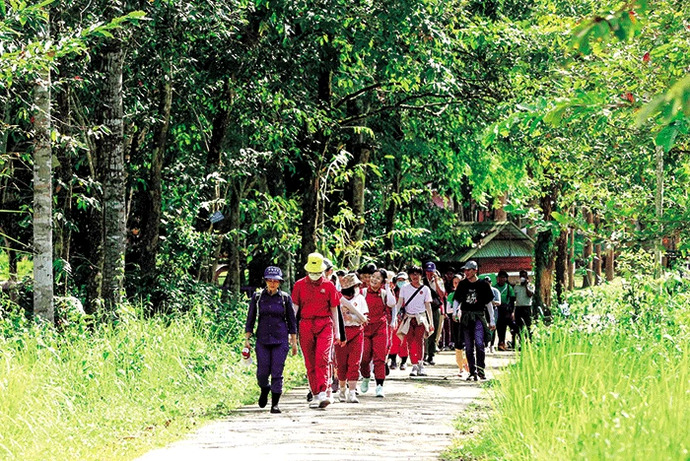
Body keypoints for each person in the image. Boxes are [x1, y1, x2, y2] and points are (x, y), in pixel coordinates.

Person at [244, 266, 298, 414]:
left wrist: (294, 343)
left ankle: (275, 404)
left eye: (275, 281)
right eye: (270, 280)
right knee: (262, 372)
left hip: (280, 340)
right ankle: (264, 388)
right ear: (266, 281)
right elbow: (251, 318)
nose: (272, 283)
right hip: (262, 339)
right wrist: (247, 339)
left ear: (279, 282)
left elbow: (291, 321)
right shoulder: (258, 297)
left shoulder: (285, 298)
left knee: (277, 371)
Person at [292, 252, 342, 409]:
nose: (315, 276)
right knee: (310, 361)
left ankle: (322, 392)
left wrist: (338, 331)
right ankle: (314, 393)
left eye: (318, 273)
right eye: (312, 273)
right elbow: (294, 309)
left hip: (325, 324)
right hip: (306, 324)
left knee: (322, 358)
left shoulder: (329, 286)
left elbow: (335, 310)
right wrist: (291, 332)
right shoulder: (299, 285)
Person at [453, 261, 494, 381]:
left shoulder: (483, 285)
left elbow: (489, 304)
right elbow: (457, 300)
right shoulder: (462, 284)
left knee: (480, 344)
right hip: (466, 318)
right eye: (465, 270)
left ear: (475, 270)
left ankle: (481, 370)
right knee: (469, 346)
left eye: (469, 270)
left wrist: (492, 320)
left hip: (478, 317)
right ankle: (472, 371)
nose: (466, 272)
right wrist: (455, 312)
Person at [361, 268, 396, 397]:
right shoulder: (363, 292)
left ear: (382, 281)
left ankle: (380, 385)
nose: (374, 280)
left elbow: (392, 304)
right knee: (364, 358)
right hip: (365, 328)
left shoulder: (384, 293)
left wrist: (387, 286)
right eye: (373, 277)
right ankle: (365, 377)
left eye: (378, 278)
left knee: (380, 358)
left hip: (380, 328)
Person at [395, 265, 434, 377]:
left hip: (420, 318)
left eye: (417, 274)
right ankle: (414, 365)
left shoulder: (425, 289)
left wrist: (431, 322)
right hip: (408, 318)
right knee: (409, 342)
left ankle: (421, 364)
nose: (415, 276)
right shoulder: (405, 288)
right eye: (412, 274)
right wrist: (395, 318)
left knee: (420, 341)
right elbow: (399, 304)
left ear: (421, 275)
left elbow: (428, 306)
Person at [336, 273, 368, 403]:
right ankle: (342, 389)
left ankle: (352, 392)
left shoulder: (360, 299)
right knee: (341, 363)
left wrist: (352, 317)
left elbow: (365, 318)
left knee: (354, 363)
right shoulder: (338, 298)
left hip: (356, 332)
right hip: (341, 333)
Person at [423, 262, 446, 365]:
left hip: (435, 308)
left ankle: (431, 355)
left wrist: (436, 281)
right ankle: (424, 354)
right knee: (424, 331)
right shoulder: (422, 281)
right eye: (428, 271)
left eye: (431, 272)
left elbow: (442, 294)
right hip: (423, 308)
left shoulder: (439, 281)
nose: (429, 274)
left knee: (434, 330)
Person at [448, 273, 469, 376]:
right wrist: (456, 310)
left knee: (468, 343)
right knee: (458, 344)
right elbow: (448, 309)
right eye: (455, 283)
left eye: (459, 282)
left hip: (467, 321)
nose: (457, 284)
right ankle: (460, 367)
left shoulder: (468, 293)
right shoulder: (451, 295)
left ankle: (468, 364)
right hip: (456, 322)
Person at [388, 272, 409, 370]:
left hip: (406, 318)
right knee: (394, 340)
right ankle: (393, 359)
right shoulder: (392, 292)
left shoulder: (410, 292)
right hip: (396, 318)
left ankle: (404, 361)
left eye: (403, 280)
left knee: (404, 340)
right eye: (399, 280)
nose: (401, 282)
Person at [512, 270, 534, 348]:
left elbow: (530, 295)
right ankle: (521, 343)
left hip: (527, 307)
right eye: (521, 276)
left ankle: (529, 342)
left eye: (524, 276)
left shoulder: (530, 286)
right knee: (519, 326)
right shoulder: (516, 287)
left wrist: (526, 286)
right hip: (518, 307)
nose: (522, 278)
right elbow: (513, 298)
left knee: (528, 326)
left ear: (527, 277)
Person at [495, 270, 516, 351]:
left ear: (506, 278)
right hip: (497, 309)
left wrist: (511, 312)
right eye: (500, 277)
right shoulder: (495, 287)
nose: (501, 279)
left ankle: (514, 342)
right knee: (500, 327)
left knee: (513, 327)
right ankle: (501, 343)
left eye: (503, 277)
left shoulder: (508, 287)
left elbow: (512, 300)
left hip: (506, 310)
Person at [484, 276, 500, 354]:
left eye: (489, 282)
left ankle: (492, 345)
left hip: (494, 309)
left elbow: (498, 302)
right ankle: (486, 345)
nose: (487, 284)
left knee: (493, 327)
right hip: (484, 310)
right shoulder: (482, 291)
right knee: (485, 327)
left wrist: (490, 302)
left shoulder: (495, 291)